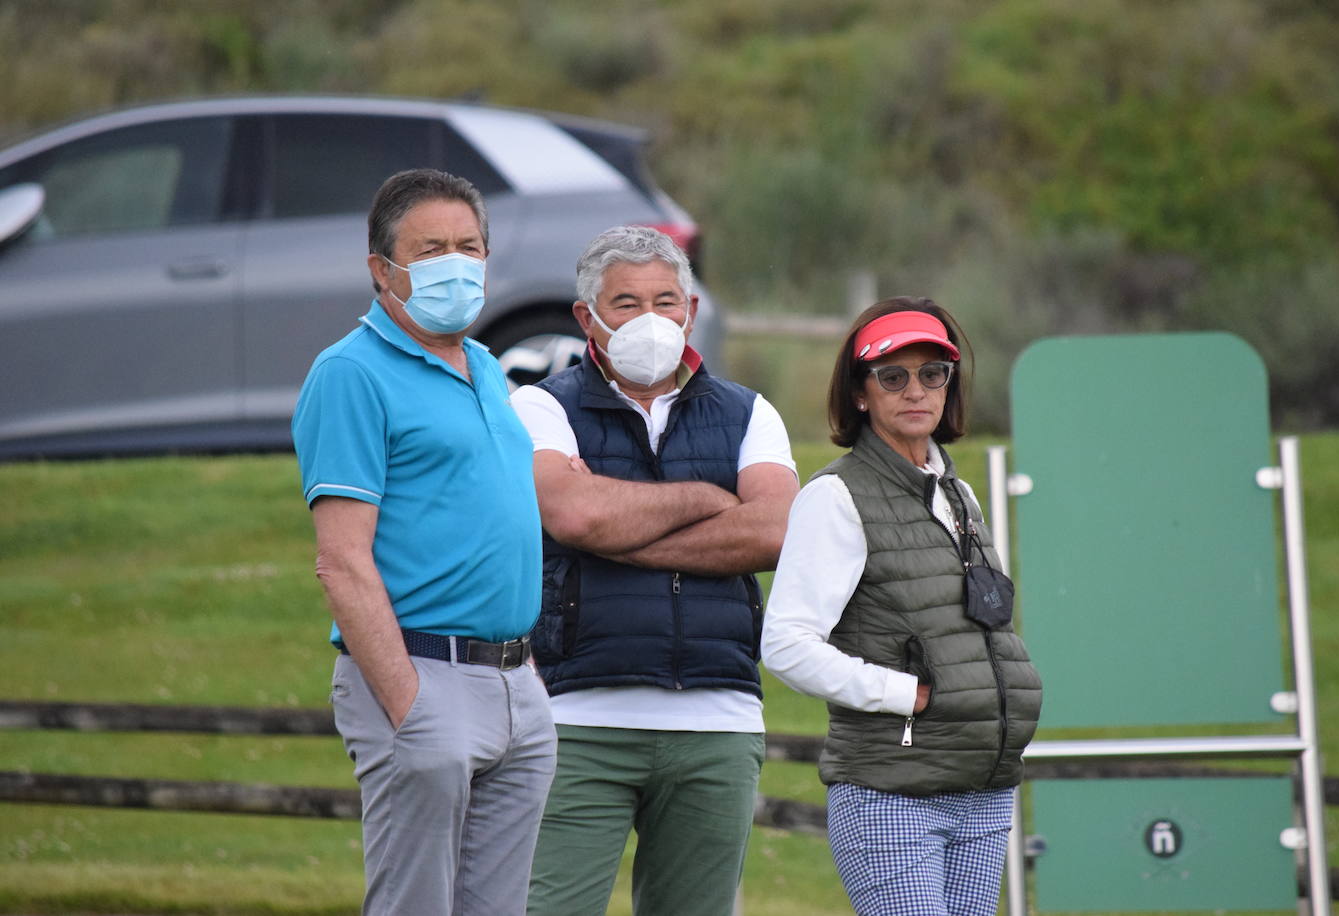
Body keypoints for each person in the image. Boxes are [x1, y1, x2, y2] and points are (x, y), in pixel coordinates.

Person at [510, 225, 799, 916]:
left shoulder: (749, 413)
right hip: (576, 718)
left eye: (666, 301)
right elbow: (575, 518)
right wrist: (706, 500)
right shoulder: (540, 406)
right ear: (588, 318)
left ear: (691, 311)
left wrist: (622, 529)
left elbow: (779, 530)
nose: (651, 320)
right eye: (627, 302)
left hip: (718, 721)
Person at [290, 168, 556, 916]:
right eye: (432, 248)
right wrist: (409, 704)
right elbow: (341, 560)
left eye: (470, 247)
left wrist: (524, 676)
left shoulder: (485, 367)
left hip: (513, 685)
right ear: (383, 270)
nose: (457, 262)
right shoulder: (349, 374)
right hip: (419, 675)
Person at [761, 298, 1042, 916]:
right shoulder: (835, 496)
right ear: (861, 393)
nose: (915, 389)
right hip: (891, 792)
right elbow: (785, 643)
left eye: (932, 373)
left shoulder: (959, 493)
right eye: (892, 375)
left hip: (983, 790)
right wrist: (899, 693)